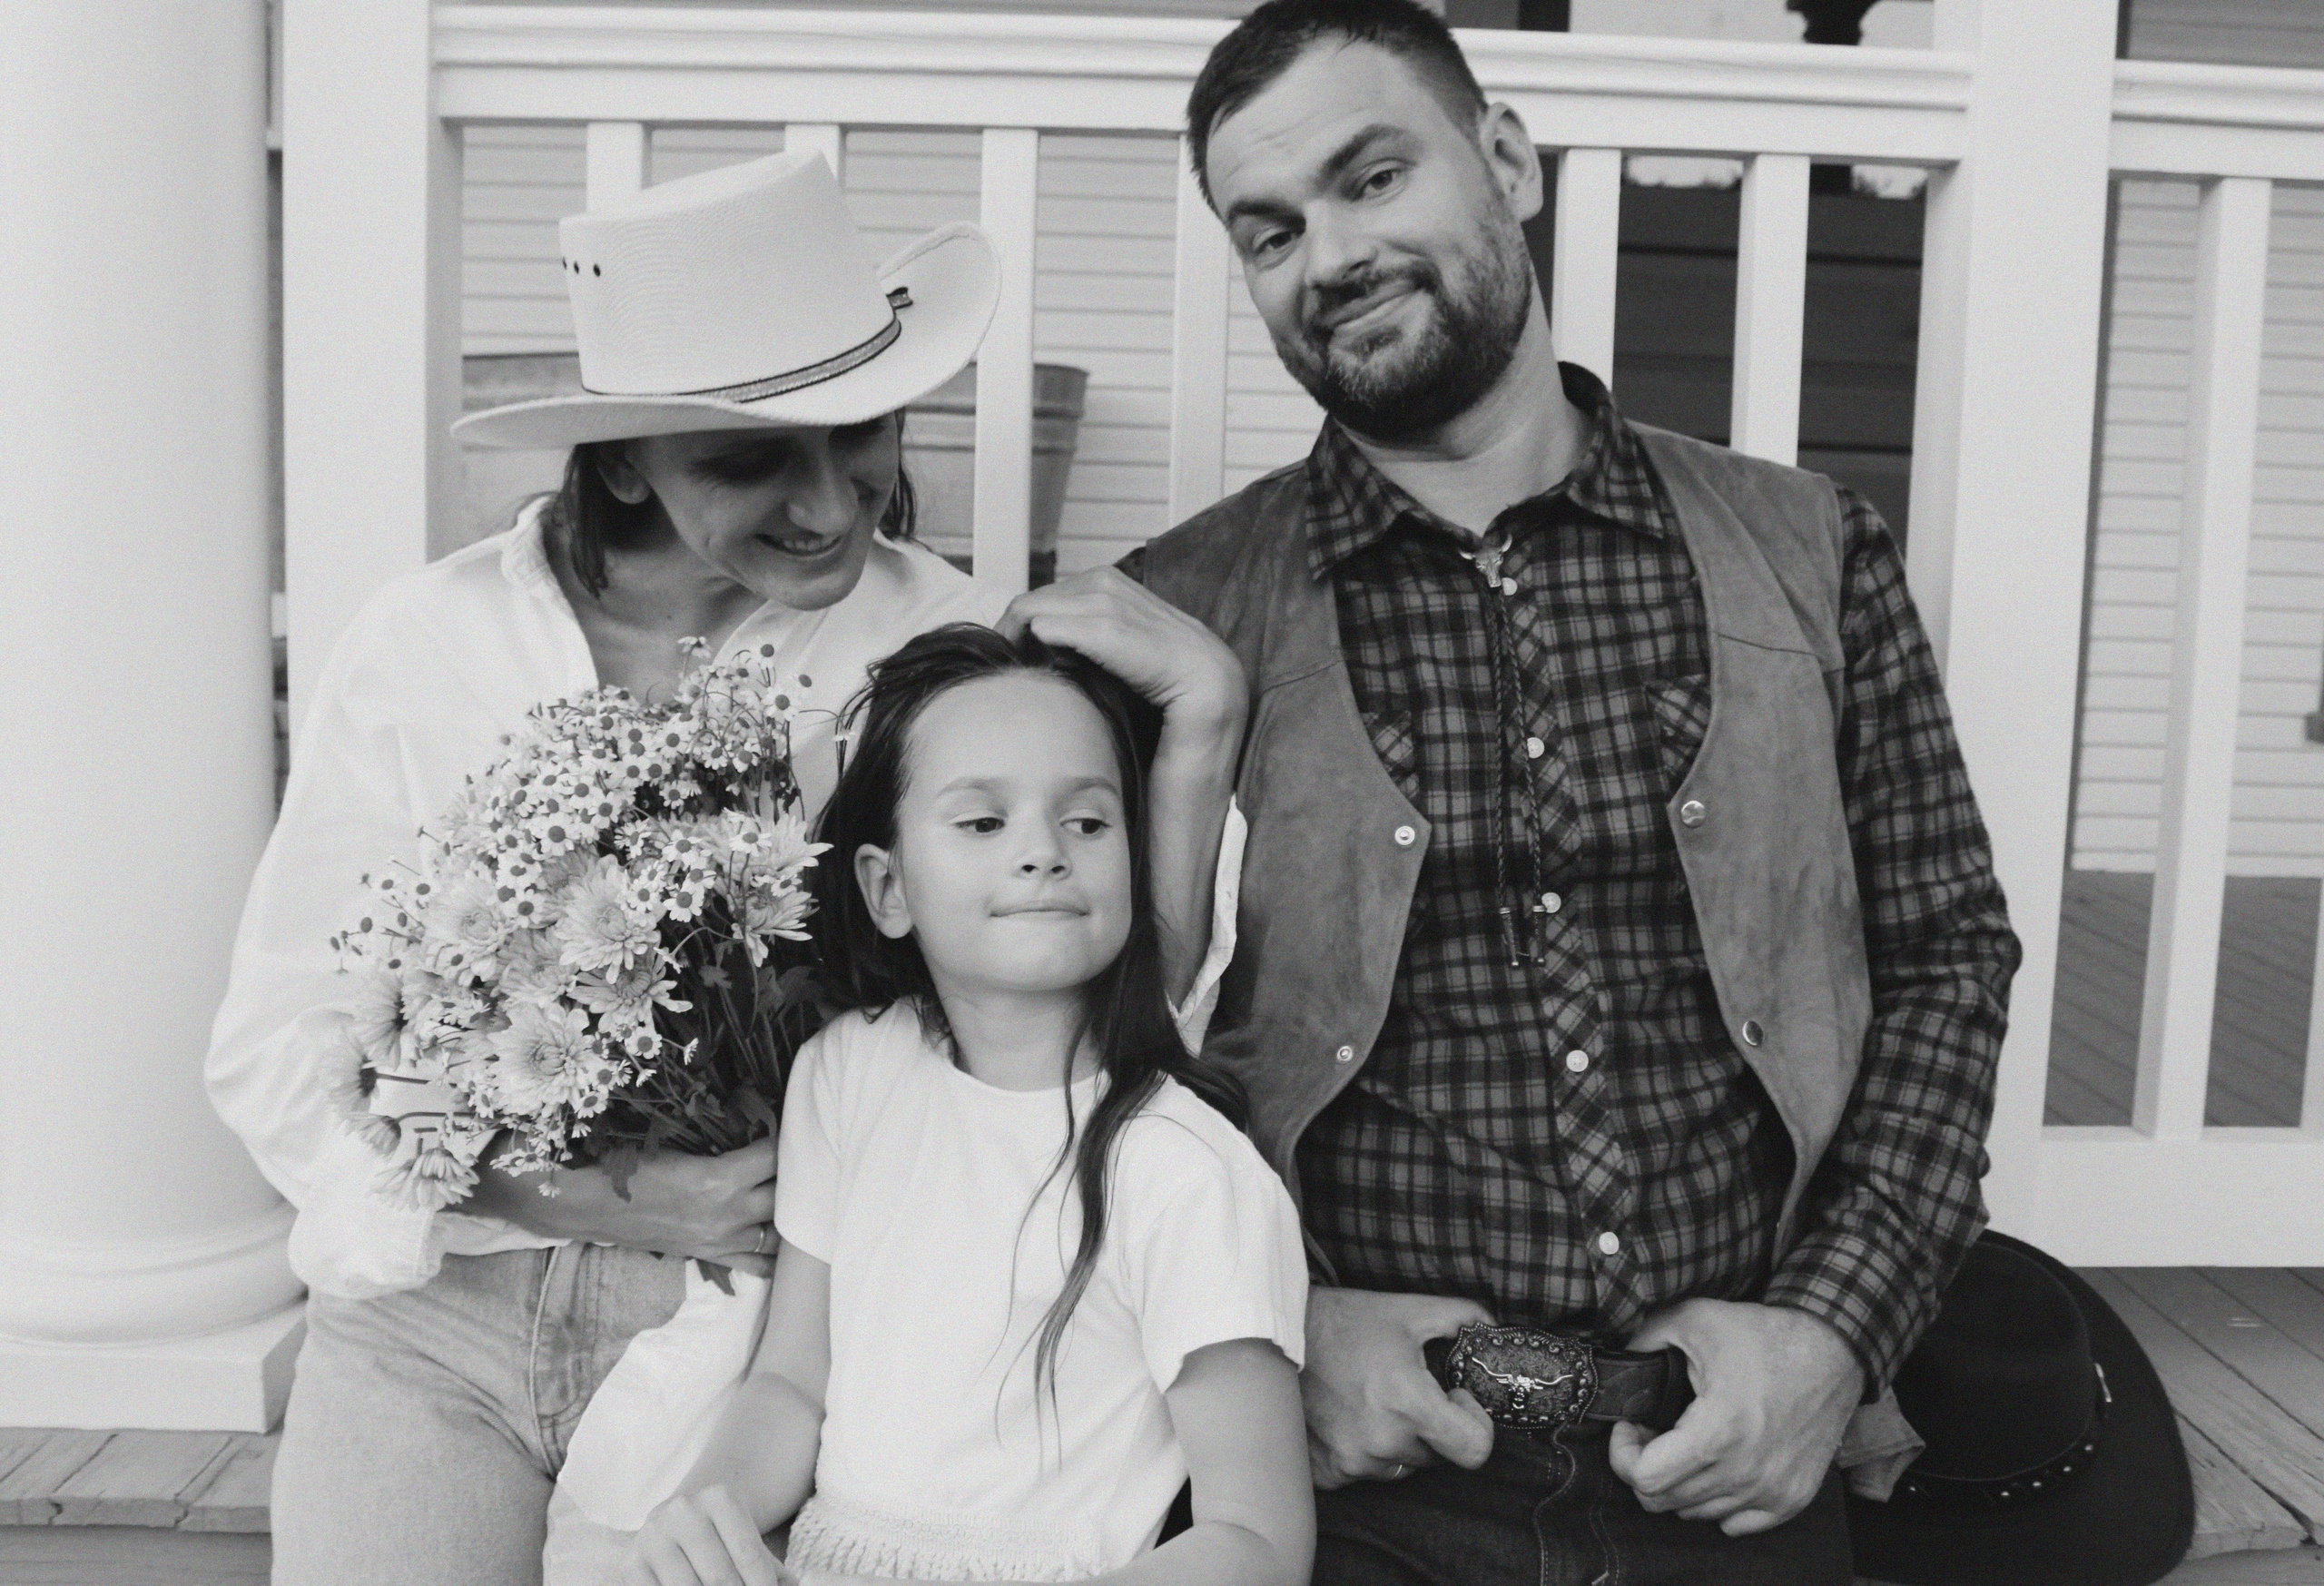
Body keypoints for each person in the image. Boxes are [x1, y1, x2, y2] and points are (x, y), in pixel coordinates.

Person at [1011, 2, 2026, 1581]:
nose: (1328, 255)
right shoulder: (1178, 617)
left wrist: (1832, 1337)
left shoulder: (1815, 549)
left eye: (1372, 178)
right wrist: (1261, 1332)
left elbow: (1949, 957)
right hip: (1346, 1466)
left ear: (1505, 157)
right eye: (1268, 231)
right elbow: (1059, 1049)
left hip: (1733, 1448)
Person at [207, 150, 1247, 1586]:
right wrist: (579, 1195)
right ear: (626, 456)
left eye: (862, 428)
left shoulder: (941, 653)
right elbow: (288, 1048)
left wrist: (1197, 741)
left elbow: (1109, 976)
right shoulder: (427, 642)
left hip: (766, 1333)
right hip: (434, 1319)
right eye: (753, 454)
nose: (835, 503)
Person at [619, 626, 1312, 1586]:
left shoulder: (1184, 1169)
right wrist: (705, 1514)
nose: (1041, 852)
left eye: (1087, 821)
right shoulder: (851, 1073)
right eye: (982, 822)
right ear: (888, 886)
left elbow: (1259, 1538)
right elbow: (789, 1381)